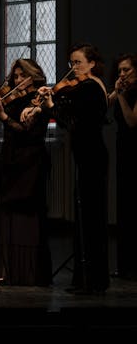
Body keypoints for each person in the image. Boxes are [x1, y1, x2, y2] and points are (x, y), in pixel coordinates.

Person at [24, 42, 109, 294]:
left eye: (78, 62)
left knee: (91, 217)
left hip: (92, 156)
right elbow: (68, 111)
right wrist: (44, 103)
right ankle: (86, 278)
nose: (73, 68)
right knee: (85, 215)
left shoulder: (91, 88)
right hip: (87, 155)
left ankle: (93, 280)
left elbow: (69, 122)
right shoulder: (83, 88)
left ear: (92, 64)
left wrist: (49, 105)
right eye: (71, 63)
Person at [0, 58, 52, 286]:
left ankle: (29, 271)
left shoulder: (39, 100)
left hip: (31, 161)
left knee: (27, 213)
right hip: (11, 158)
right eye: (15, 76)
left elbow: (24, 130)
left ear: (33, 76)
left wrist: (4, 116)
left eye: (23, 76)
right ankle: (6, 268)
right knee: (7, 212)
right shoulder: (12, 98)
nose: (18, 80)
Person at [107, 52, 137, 281]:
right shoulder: (122, 90)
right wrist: (114, 92)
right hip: (123, 151)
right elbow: (105, 103)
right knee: (124, 208)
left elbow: (131, 121)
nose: (122, 74)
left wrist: (122, 96)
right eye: (119, 71)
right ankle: (124, 266)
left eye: (126, 70)